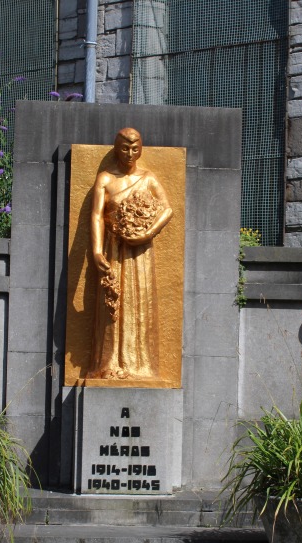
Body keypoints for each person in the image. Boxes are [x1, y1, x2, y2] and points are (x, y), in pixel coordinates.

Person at [86, 127, 173, 381]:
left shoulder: (148, 178)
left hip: (140, 253)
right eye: (125, 148)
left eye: (135, 148)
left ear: (141, 149)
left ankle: (140, 365)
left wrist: (148, 233)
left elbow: (167, 209)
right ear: (116, 148)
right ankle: (109, 363)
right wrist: (95, 250)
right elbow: (97, 216)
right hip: (113, 249)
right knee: (113, 306)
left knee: (139, 304)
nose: (130, 153)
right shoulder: (104, 178)